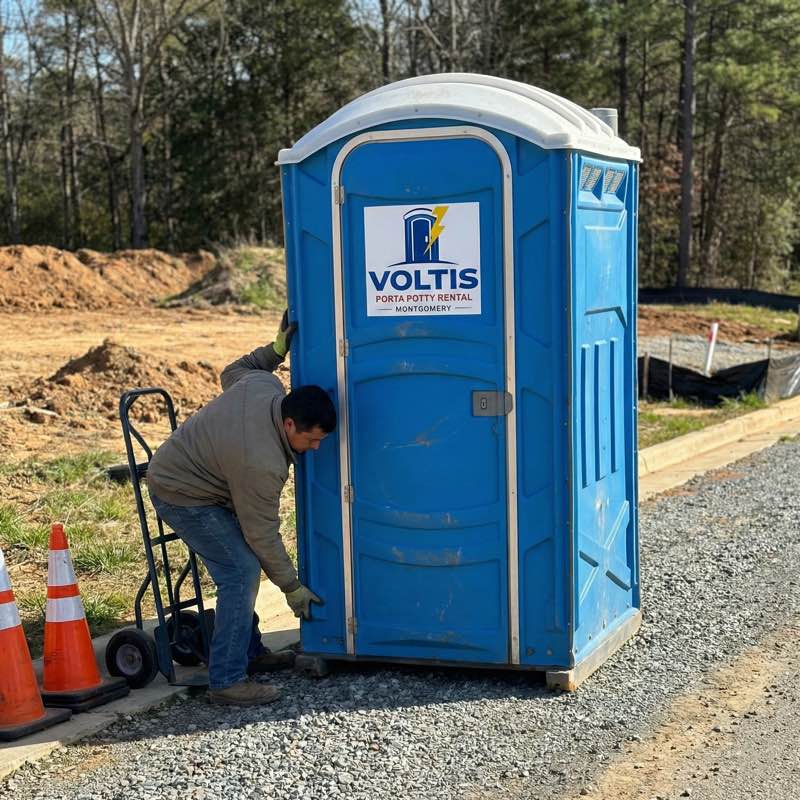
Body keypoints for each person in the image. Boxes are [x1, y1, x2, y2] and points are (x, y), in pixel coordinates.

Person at [147, 311, 335, 706]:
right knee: (241, 571)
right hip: (182, 493)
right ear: (288, 424)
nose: (315, 448)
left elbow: (236, 368)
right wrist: (292, 587)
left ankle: (250, 654)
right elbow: (261, 533)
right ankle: (227, 680)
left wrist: (276, 350)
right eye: (311, 439)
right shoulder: (260, 463)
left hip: (206, 479)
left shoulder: (263, 382)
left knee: (244, 564)